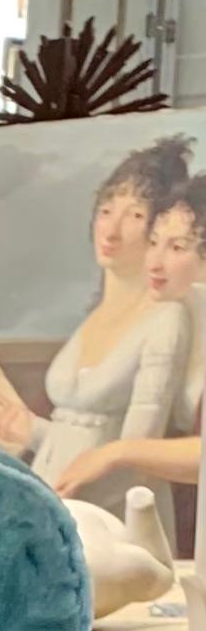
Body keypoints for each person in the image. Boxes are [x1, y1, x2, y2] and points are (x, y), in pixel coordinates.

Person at [0, 135, 195, 490]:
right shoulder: (96, 316)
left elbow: (133, 460)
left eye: (135, 215)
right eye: (106, 210)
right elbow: (79, 440)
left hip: (107, 519)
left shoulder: (165, 321)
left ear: (159, 227)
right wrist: (30, 429)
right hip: (55, 501)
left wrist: (64, 507)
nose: (110, 230)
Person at [56, 169, 206, 514]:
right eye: (153, 242)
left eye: (177, 247)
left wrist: (115, 452)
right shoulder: (183, 315)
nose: (153, 262)